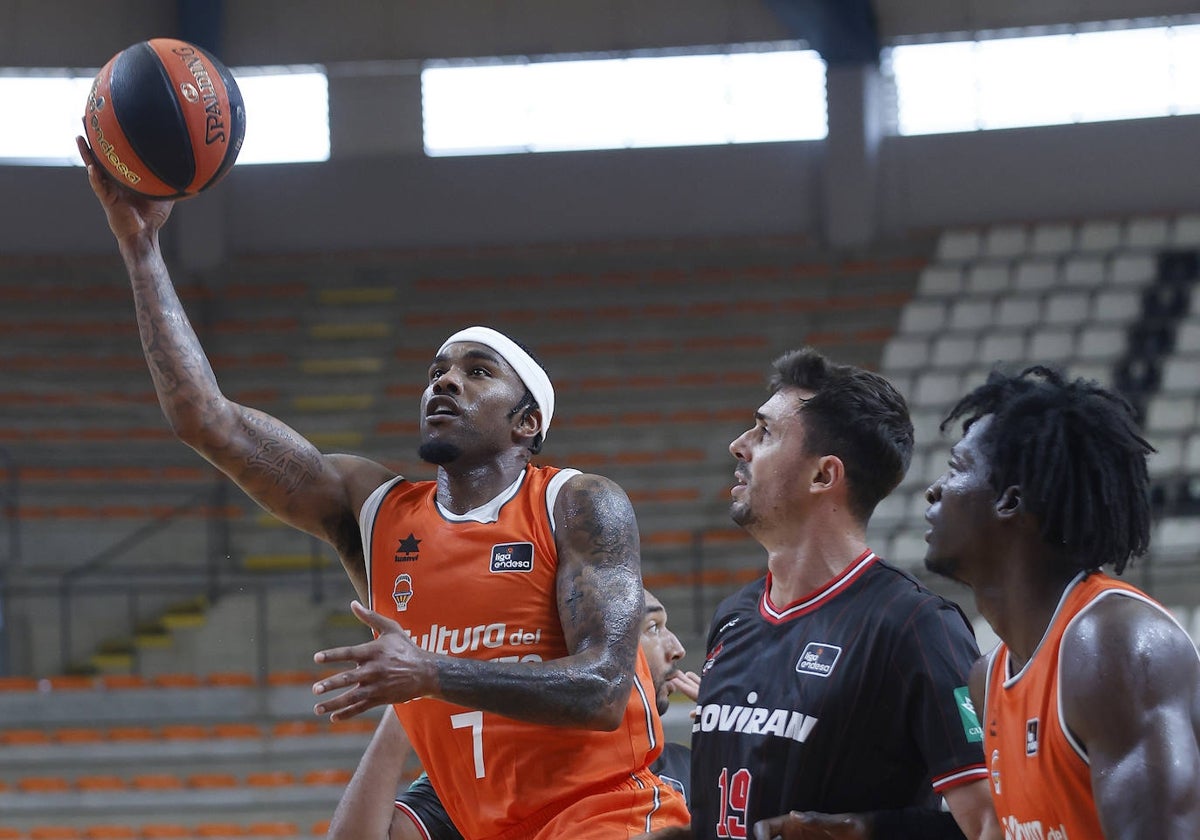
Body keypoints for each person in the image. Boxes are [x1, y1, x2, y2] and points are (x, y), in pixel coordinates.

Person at [76, 137, 688, 840]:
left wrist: (430, 670)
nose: (445, 381)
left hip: (610, 817)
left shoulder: (576, 502)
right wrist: (141, 249)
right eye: (436, 370)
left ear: (528, 422)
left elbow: (604, 689)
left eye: (477, 370)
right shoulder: (375, 512)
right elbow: (205, 420)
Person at [648, 348, 997, 840]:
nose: (738, 445)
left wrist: (864, 831)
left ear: (823, 476)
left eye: (765, 432)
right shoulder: (734, 617)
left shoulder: (916, 625)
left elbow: (990, 824)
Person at [925, 366, 1200, 839]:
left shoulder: (1113, 646)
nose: (935, 490)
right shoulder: (988, 677)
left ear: (1010, 502)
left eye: (956, 470)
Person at [328, 588, 695, 840]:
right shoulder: (493, 774)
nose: (676, 647)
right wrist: (410, 696)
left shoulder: (695, 764)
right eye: (653, 627)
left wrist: (731, 734)